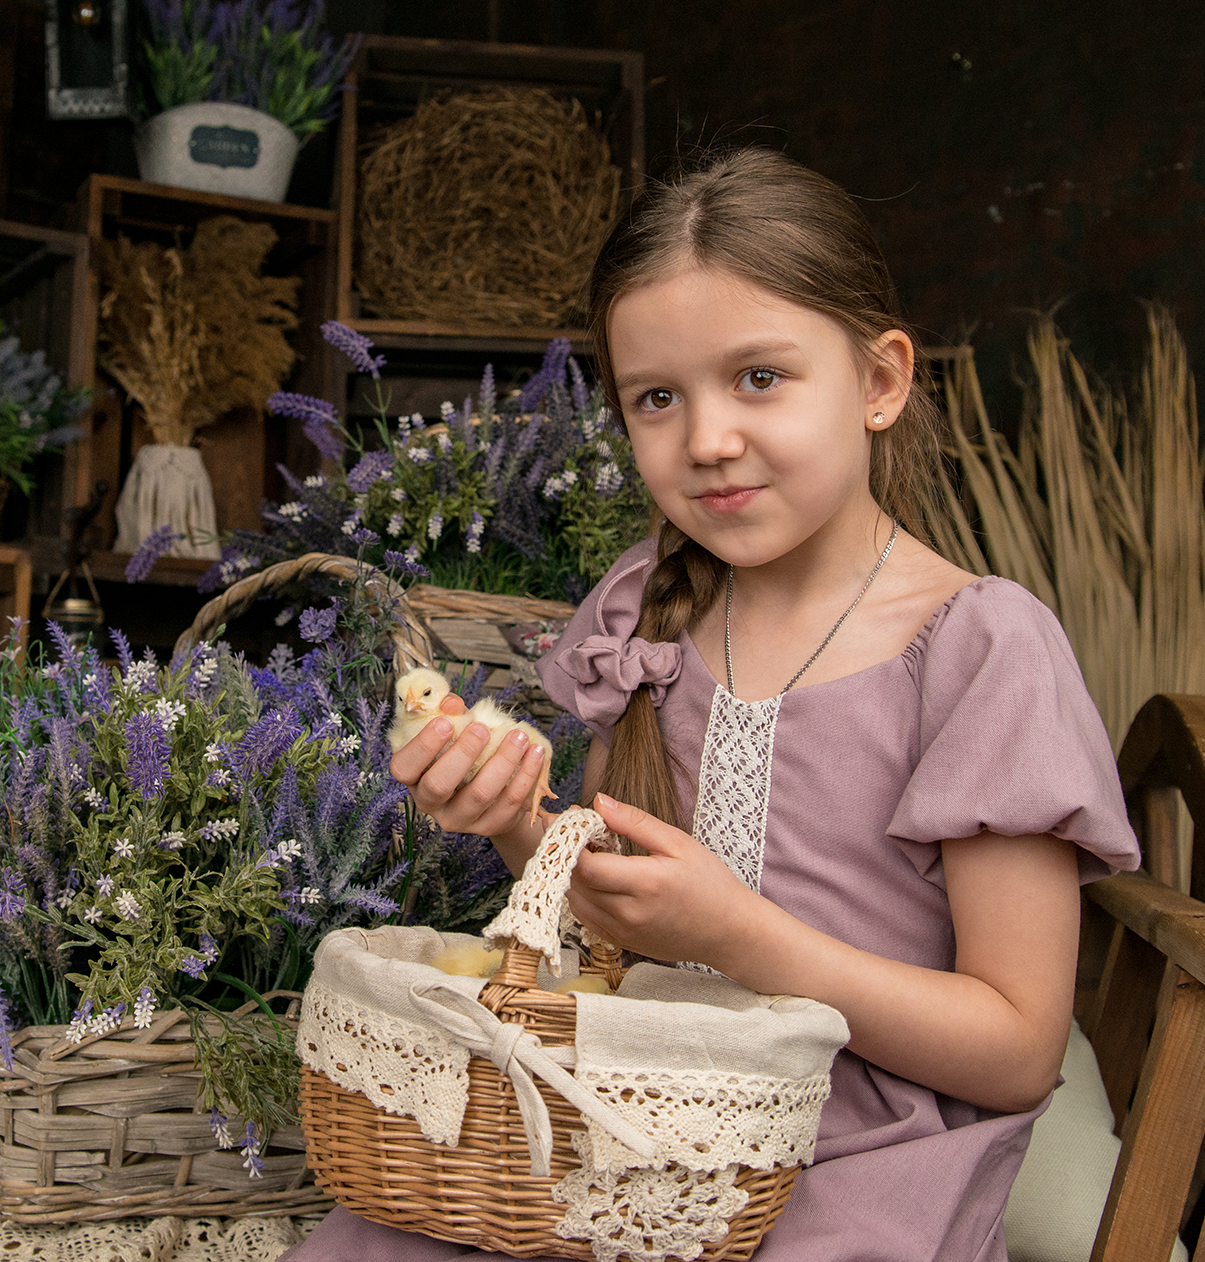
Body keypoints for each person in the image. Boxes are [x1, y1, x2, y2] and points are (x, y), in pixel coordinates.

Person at [292, 147, 1141, 1262]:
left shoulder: (978, 648)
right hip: (631, 1114)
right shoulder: (646, 612)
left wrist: (742, 940)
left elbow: (1019, 1049)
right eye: (656, 398)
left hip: (855, 1165)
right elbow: (619, 914)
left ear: (879, 381)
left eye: (758, 378)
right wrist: (512, 824)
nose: (706, 441)